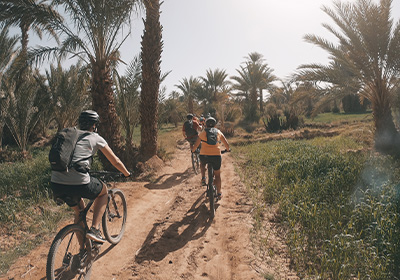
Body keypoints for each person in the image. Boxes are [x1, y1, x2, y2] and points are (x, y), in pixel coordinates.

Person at [50, 110, 131, 243]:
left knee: (80, 212)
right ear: (94, 125)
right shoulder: (95, 137)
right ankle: (95, 229)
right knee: (103, 192)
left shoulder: (70, 135)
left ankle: (82, 251)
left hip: (56, 183)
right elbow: (115, 161)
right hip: (79, 181)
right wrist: (127, 173)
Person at [191, 116, 230, 199]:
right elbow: (227, 144)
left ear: (206, 125)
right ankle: (219, 193)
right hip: (216, 156)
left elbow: (196, 144)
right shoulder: (218, 132)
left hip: (204, 155)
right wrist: (227, 150)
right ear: (215, 125)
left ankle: (203, 178)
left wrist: (193, 150)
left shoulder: (203, 133)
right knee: (217, 175)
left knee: (202, 164)